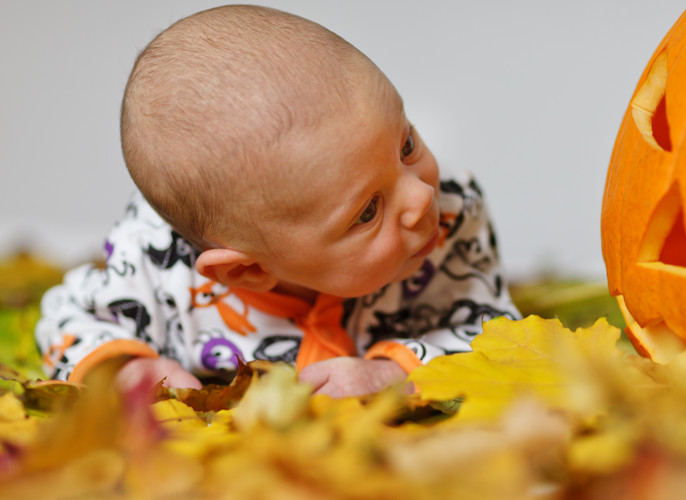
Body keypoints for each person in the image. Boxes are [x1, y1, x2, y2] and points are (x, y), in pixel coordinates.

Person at [35, 5, 519, 398]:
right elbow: (66, 321)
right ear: (246, 271)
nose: (420, 197)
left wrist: (392, 374)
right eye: (368, 211)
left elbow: (495, 332)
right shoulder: (154, 264)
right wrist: (126, 368)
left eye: (406, 144)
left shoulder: (452, 214)